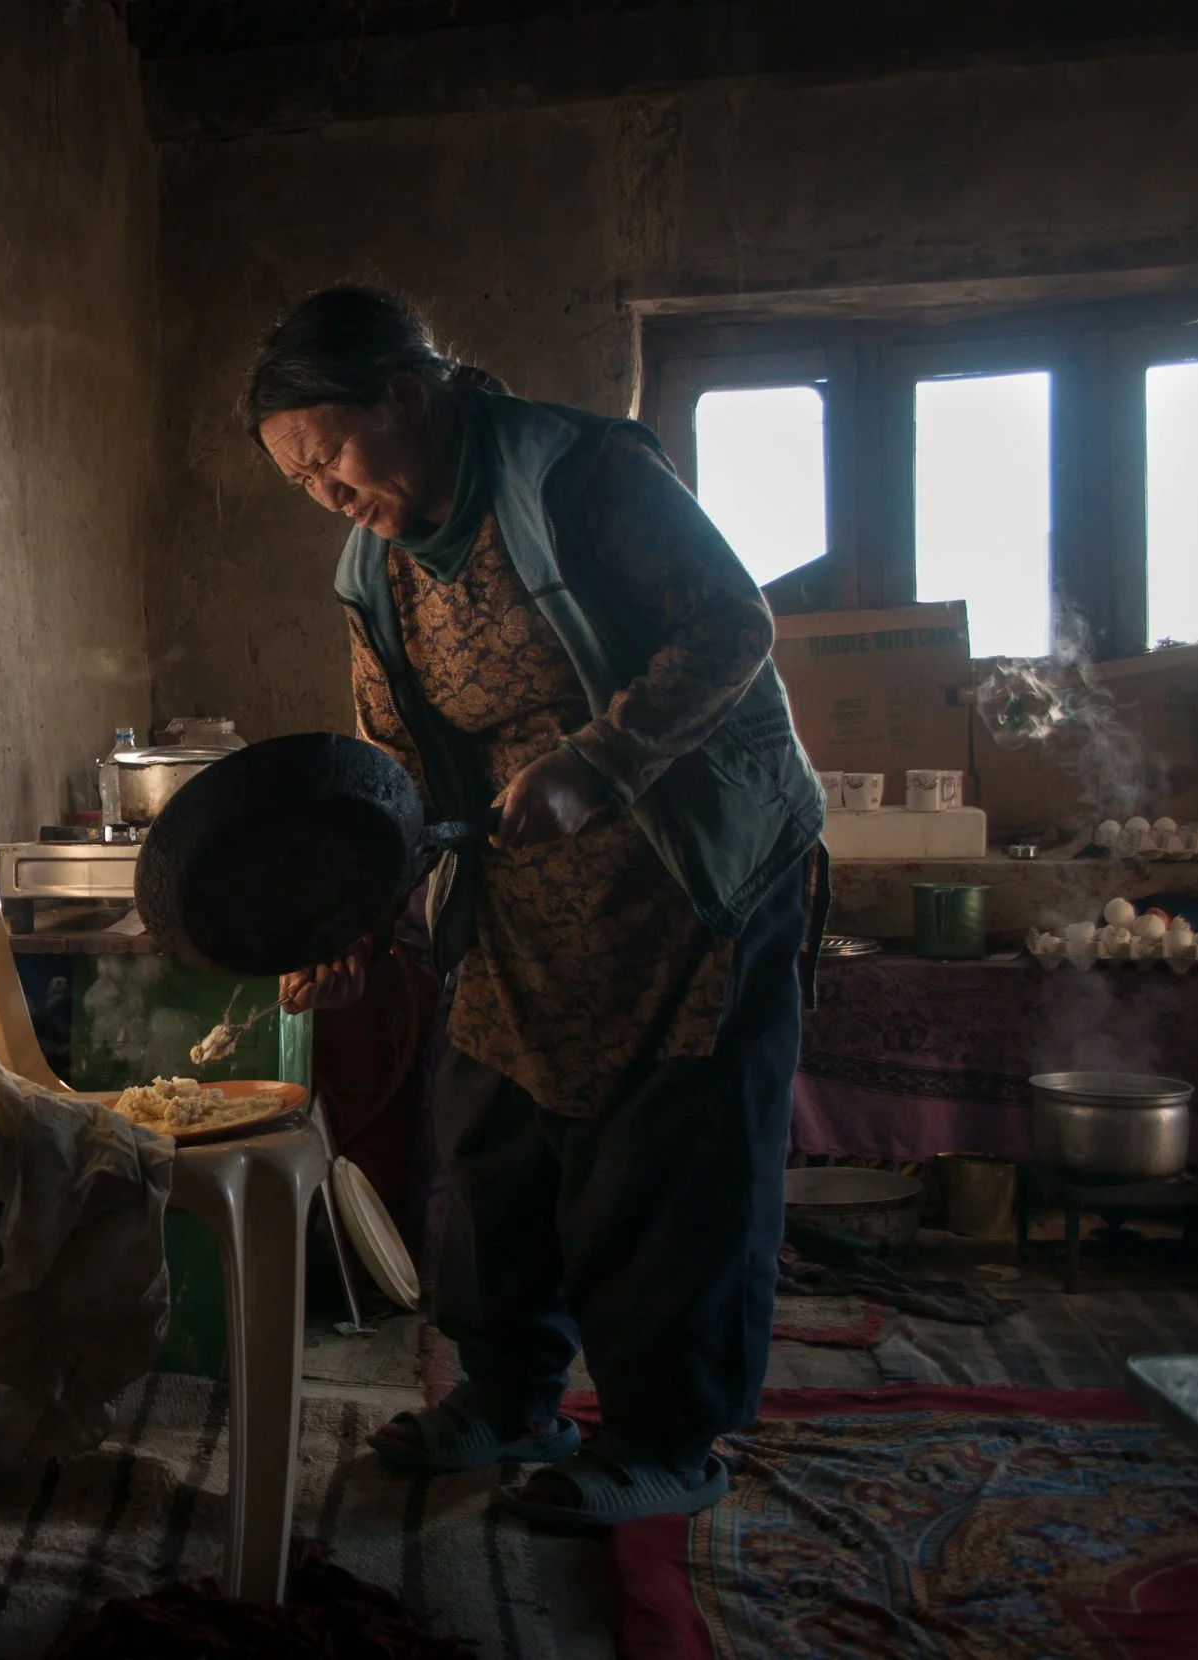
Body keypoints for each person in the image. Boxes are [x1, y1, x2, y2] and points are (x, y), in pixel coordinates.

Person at [249, 286, 825, 1527]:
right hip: (521, 891)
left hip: (689, 874)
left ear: (407, 396)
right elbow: (396, 755)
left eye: (328, 456)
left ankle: (669, 1438)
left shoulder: (584, 473)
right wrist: (361, 918)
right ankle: (510, 1396)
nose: (324, 494)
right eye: (298, 478)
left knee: (662, 1159)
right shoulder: (376, 565)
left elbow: (733, 625)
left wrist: (598, 763)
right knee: (498, 1138)